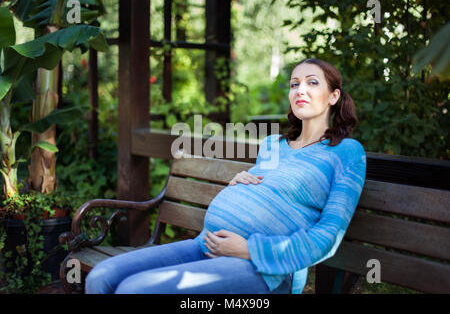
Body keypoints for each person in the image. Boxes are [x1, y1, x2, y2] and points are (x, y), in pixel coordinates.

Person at [85, 58, 367, 294]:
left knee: (135, 290)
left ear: (334, 96)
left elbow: (328, 237)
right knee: (102, 277)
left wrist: (251, 250)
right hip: (207, 244)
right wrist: (240, 184)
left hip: (266, 270)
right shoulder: (273, 145)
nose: (300, 90)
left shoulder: (346, 153)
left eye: (312, 82)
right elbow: (267, 189)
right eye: (294, 84)